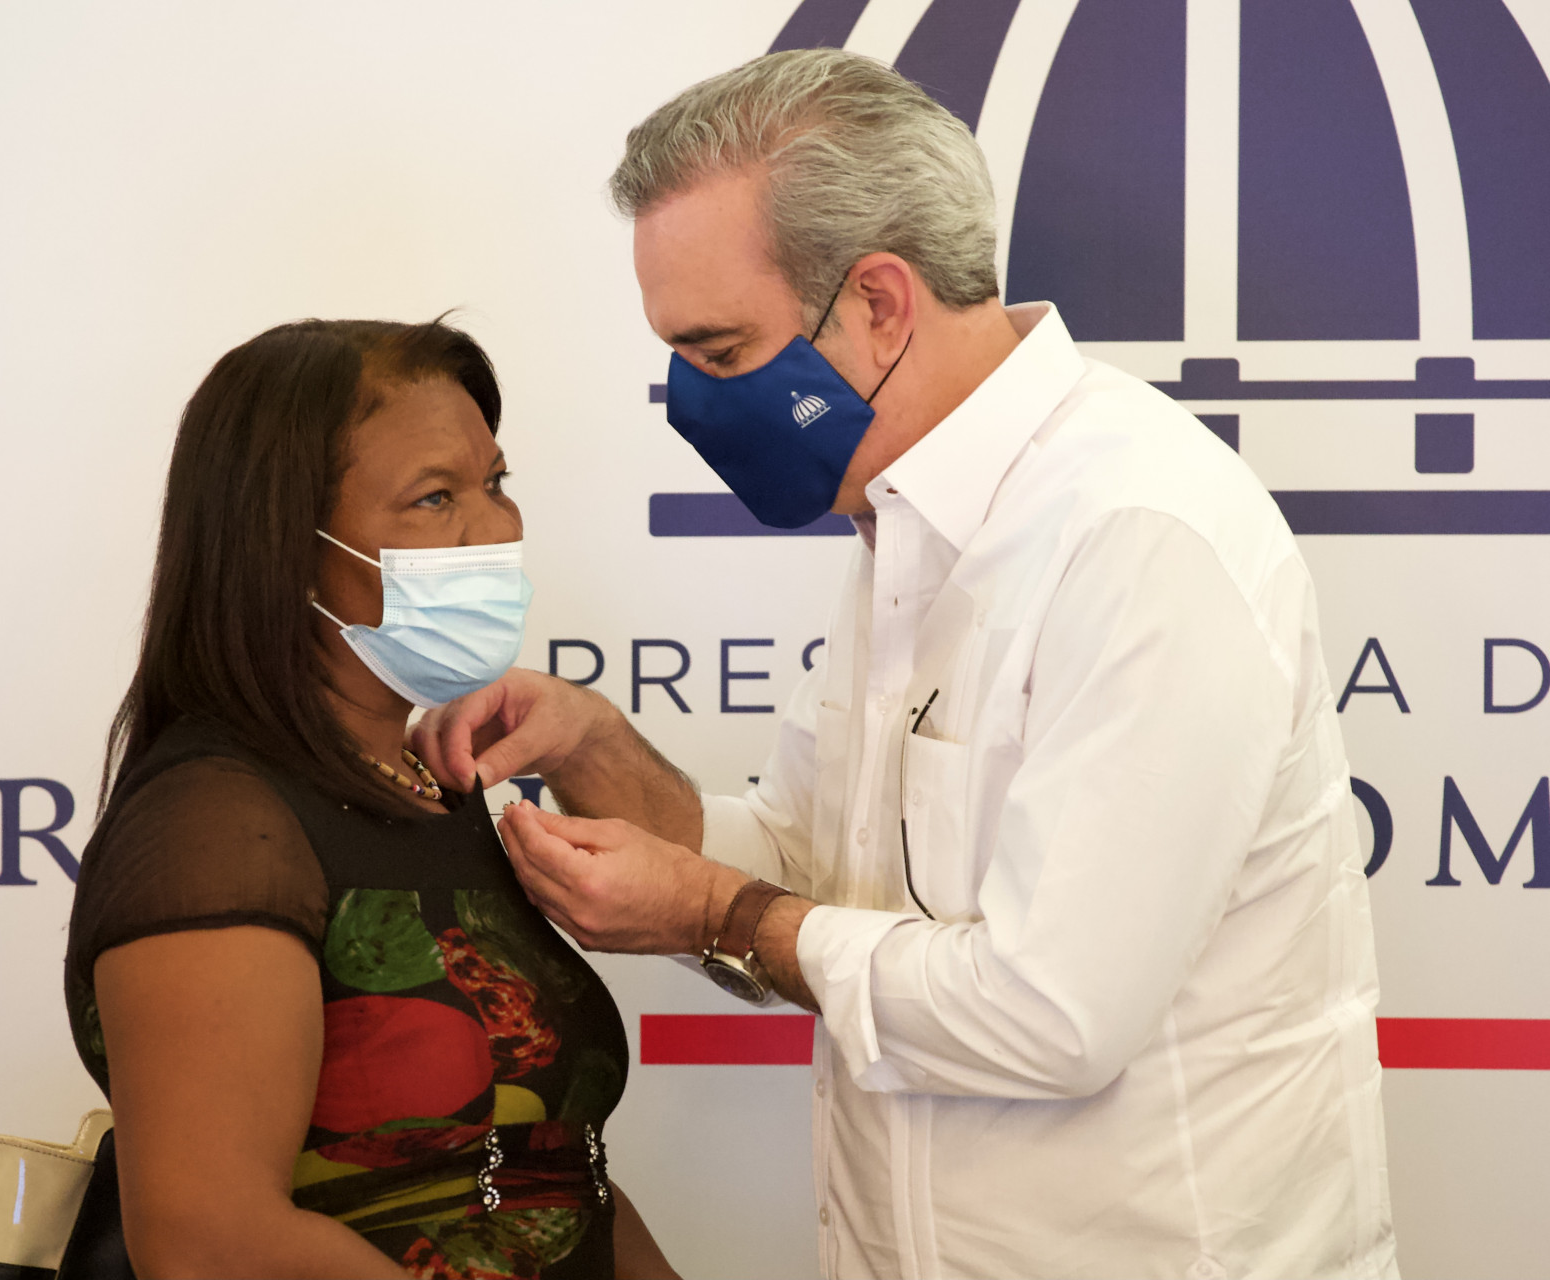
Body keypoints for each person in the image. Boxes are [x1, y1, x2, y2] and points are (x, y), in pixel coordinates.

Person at [412, 50, 1397, 1279]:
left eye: (720, 353)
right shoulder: (901, 523)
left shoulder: (1137, 533)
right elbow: (814, 872)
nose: (691, 402)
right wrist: (595, 747)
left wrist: (710, 911)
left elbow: (1052, 1013)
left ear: (880, 302)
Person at [62, 318, 677, 1279]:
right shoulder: (215, 826)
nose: (496, 529)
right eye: (435, 498)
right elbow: (210, 1242)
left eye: (496, 483)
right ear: (283, 544)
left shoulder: (437, 787)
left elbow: (549, 1179)